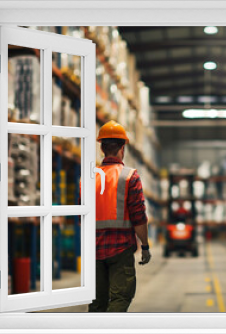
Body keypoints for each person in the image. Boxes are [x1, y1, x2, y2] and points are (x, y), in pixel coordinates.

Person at [88, 120, 151, 312]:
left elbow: (81, 217)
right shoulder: (129, 176)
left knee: (97, 303)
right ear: (122, 148)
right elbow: (139, 217)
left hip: (94, 250)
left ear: (101, 148)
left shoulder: (89, 176)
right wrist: (145, 246)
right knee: (120, 299)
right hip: (120, 249)